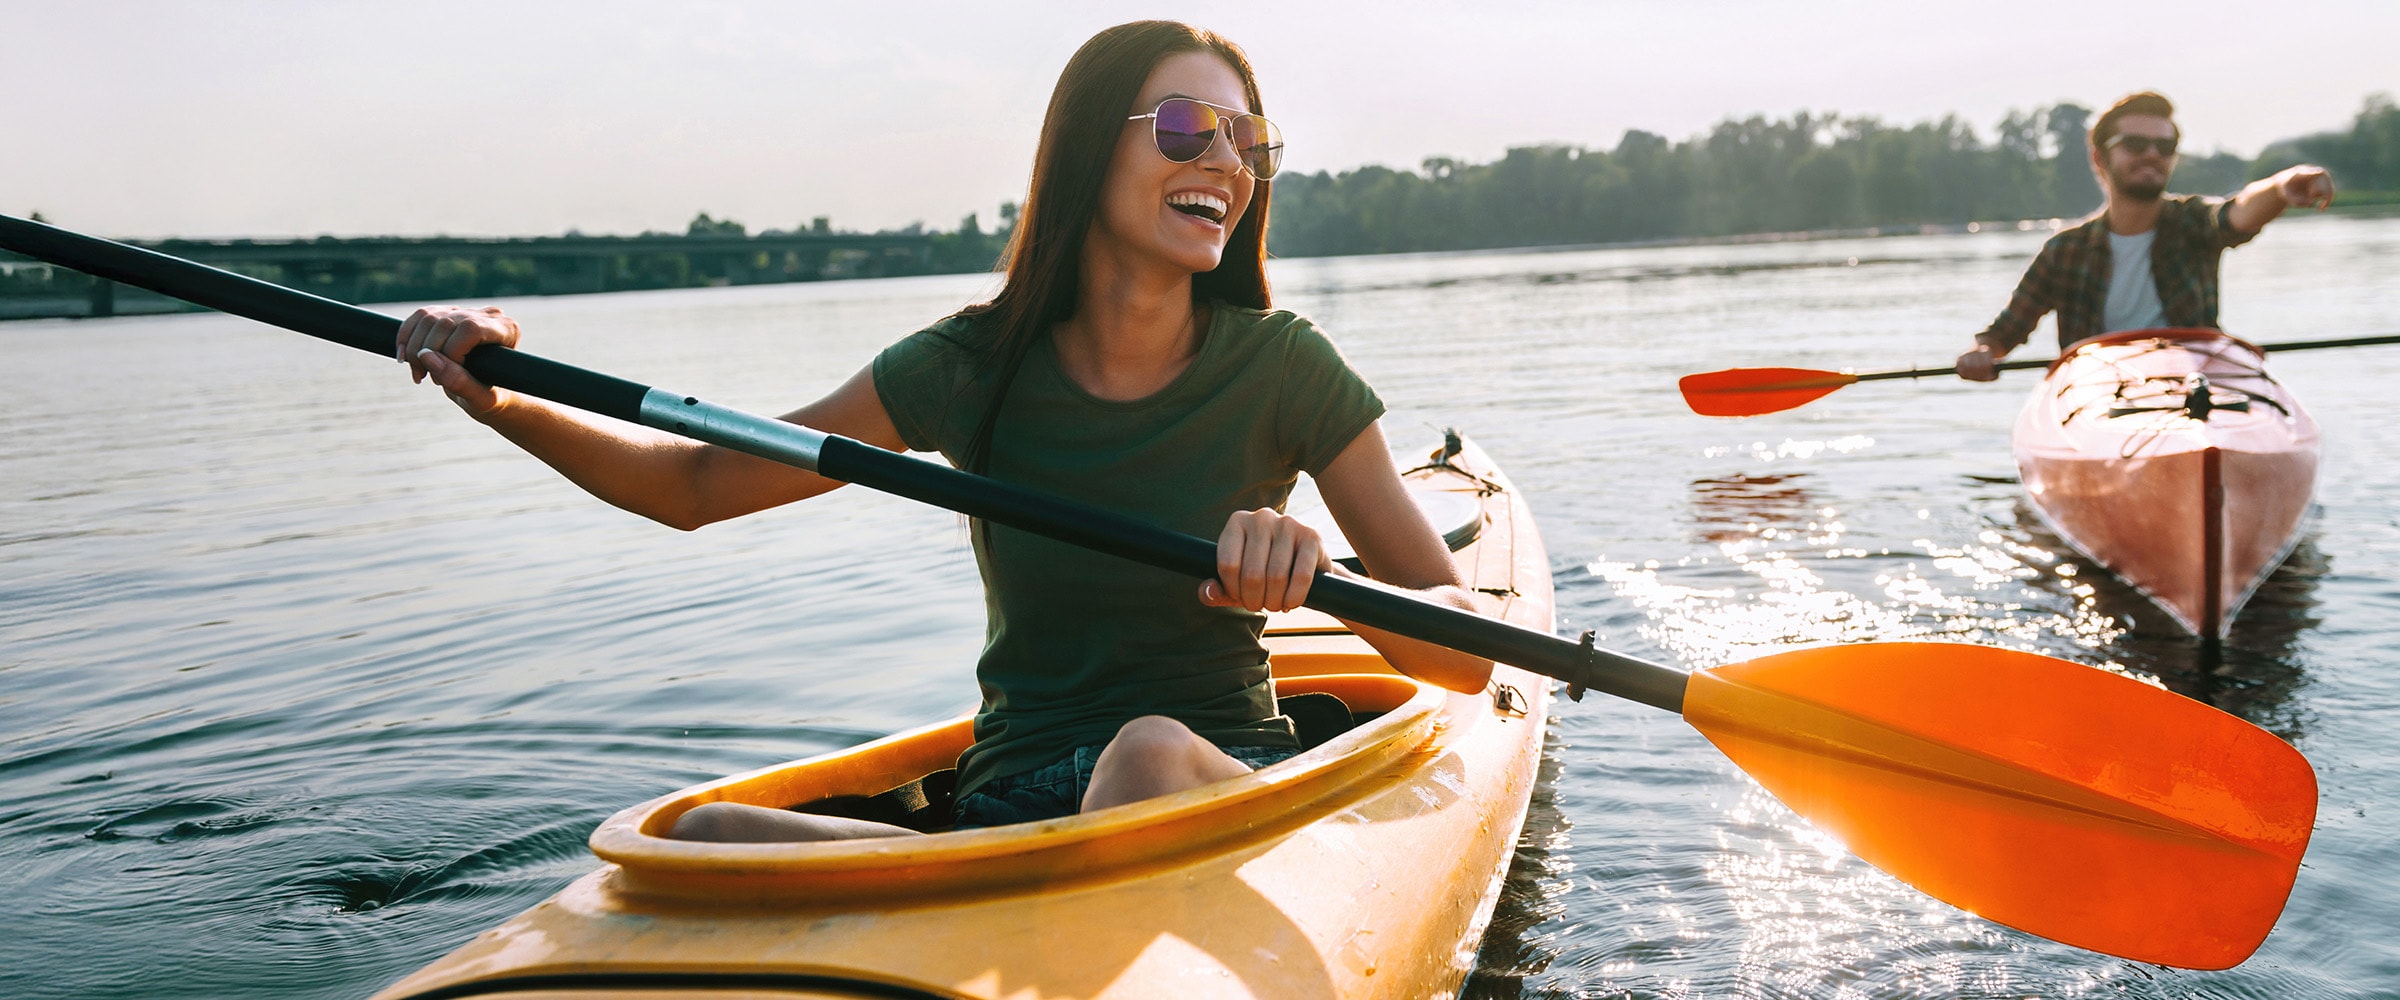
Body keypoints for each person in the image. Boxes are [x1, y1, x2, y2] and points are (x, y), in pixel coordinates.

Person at [389, 21, 1498, 841]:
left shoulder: (1284, 366)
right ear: (1084, 149)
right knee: (693, 833)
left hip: (1206, 776)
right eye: (1184, 127)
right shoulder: (969, 366)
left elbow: (1459, 650)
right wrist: (501, 395)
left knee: (1146, 751)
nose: (1225, 162)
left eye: (1249, 141)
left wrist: (1311, 572)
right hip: (1007, 805)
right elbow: (692, 483)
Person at [1955, 91, 2336, 380]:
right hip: (2098, 393)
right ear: (2099, 158)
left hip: (2195, 384)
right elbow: (2002, 335)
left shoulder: (2193, 222)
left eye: (2164, 146)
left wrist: (2283, 187)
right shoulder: (2064, 251)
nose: (2152, 154)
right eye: (2135, 145)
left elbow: (2239, 212)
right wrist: (1982, 353)